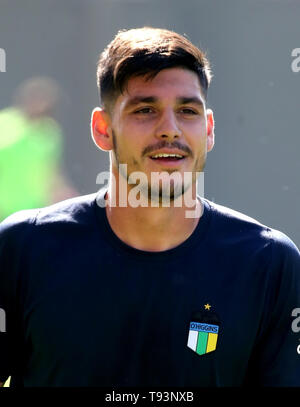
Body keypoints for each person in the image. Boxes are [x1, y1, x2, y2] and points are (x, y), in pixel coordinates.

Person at [0, 27, 299, 388]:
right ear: (102, 129)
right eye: (145, 110)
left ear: (208, 129)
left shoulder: (269, 263)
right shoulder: (21, 250)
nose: (169, 129)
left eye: (187, 110)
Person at [0, 76, 76, 221]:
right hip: (3, 210)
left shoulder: (49, 132)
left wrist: (62, 192)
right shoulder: (5, 123)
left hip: (32, 210)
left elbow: (51, 171)